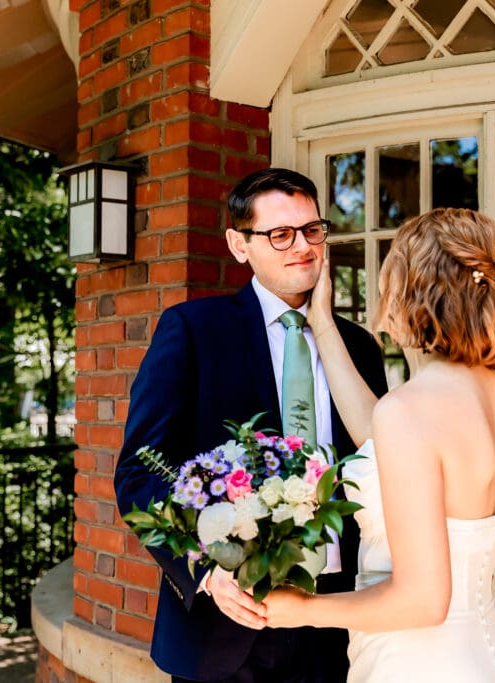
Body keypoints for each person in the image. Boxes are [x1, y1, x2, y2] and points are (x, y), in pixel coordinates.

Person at [114, 167, 388, 683]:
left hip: (339, 619)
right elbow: (138, 475)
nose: (302, 246)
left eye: (312, 230)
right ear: (239, 245)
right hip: (225, 623)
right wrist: (207, 569)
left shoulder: (359, 349)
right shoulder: (193, 331)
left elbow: (387, 467)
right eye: (279, 234)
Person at [261, 208, 495, 682]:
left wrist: (302, 608)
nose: (382, 302)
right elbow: (380, 443)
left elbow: (421, 601)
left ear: (416, 291)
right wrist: (321, 320)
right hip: (483, 657)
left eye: (390, 282)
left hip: (413, 663)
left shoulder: (410, 410)